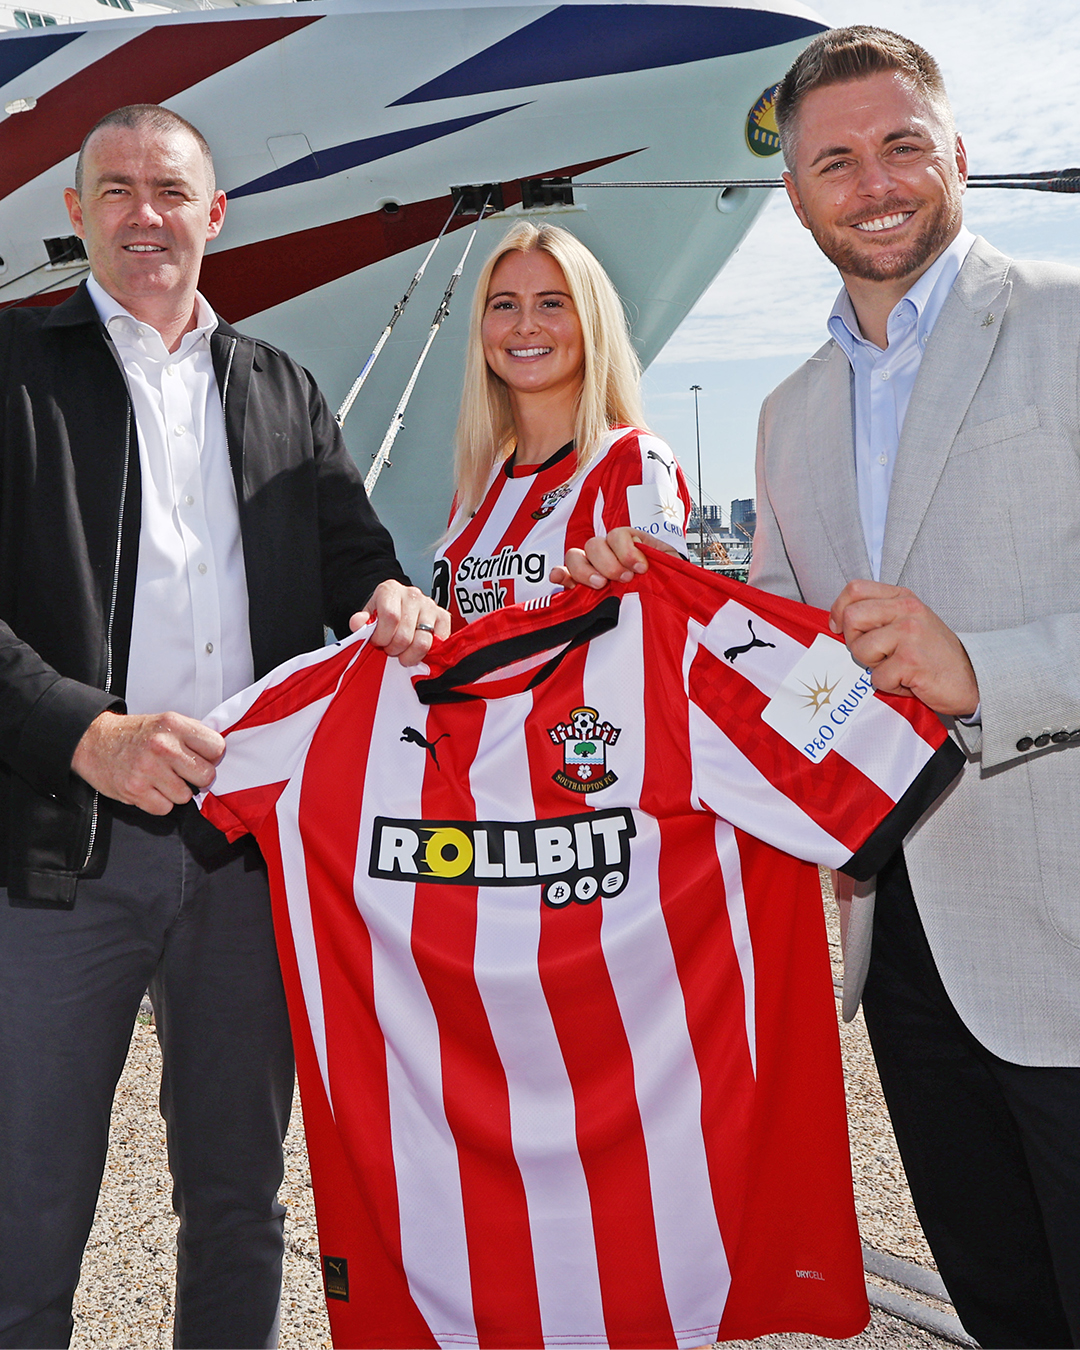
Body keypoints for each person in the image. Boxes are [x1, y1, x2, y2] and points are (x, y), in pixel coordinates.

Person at [561, 26, 1080, 1350]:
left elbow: (963, 664)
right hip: (901, 952)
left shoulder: (1068, 319)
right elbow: (797, 680)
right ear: (793, 195)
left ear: (959, 155)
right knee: (1006, 1304)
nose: (875, 183)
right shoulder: (786, 414)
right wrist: (659, 598)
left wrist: (988, 670)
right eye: (835, 162)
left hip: (1067, 931)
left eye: (902, 146)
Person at [0, 103, 447, 1350]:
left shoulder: (282, 388)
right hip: (60, 854)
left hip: (246, 855)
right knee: (25, 1211)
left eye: (171, 191)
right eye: (117, 190)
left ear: (215, 213)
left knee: (242, 1202)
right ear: (77, 213)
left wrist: (392, 598)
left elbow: (359, 561)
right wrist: (88, 733)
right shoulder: (11, 369)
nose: (145, 215)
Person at [431, 221, 690, 626]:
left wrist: (648, 570)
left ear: (591, 322)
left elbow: (667, 608)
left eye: (551, 303)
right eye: (504, 305)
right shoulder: (477, 483)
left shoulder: (636, 458)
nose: (525, 324)